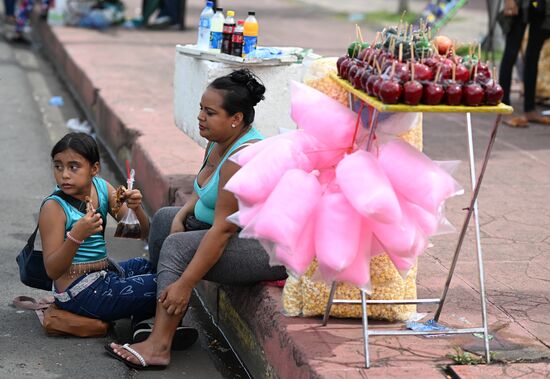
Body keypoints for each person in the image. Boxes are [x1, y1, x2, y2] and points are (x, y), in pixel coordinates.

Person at [105, 69, 287, 370]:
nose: (201, 116)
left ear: (236, 119)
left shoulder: (241, 158)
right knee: (165, 219)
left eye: (210, 112)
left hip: (267, 250)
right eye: (201, 108)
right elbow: (205, 188)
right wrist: (183, 212)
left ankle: (159, 346)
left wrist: (184, 284)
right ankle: (156, 313)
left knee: (177, 247)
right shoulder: (218, 141)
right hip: (233, 233)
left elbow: (223, 230)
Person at [39, 132, 157, 323]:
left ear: (94, 169)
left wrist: (137, 209)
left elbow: (141, 233)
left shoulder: (101, 188)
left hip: (103, 276)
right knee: (163, 284)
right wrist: (76, 236)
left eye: (73, 167)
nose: (64, 175)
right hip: (79, 291)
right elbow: (52, 270)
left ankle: (140, 326)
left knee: (151, 267)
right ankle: (143, 324)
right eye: (58, 166)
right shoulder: (54, 207)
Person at [499, 0, 550, 127]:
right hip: (520, 3)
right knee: (511, 52)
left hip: (542, 5)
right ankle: (504, 107)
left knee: (534, 55)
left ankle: (529, 109)